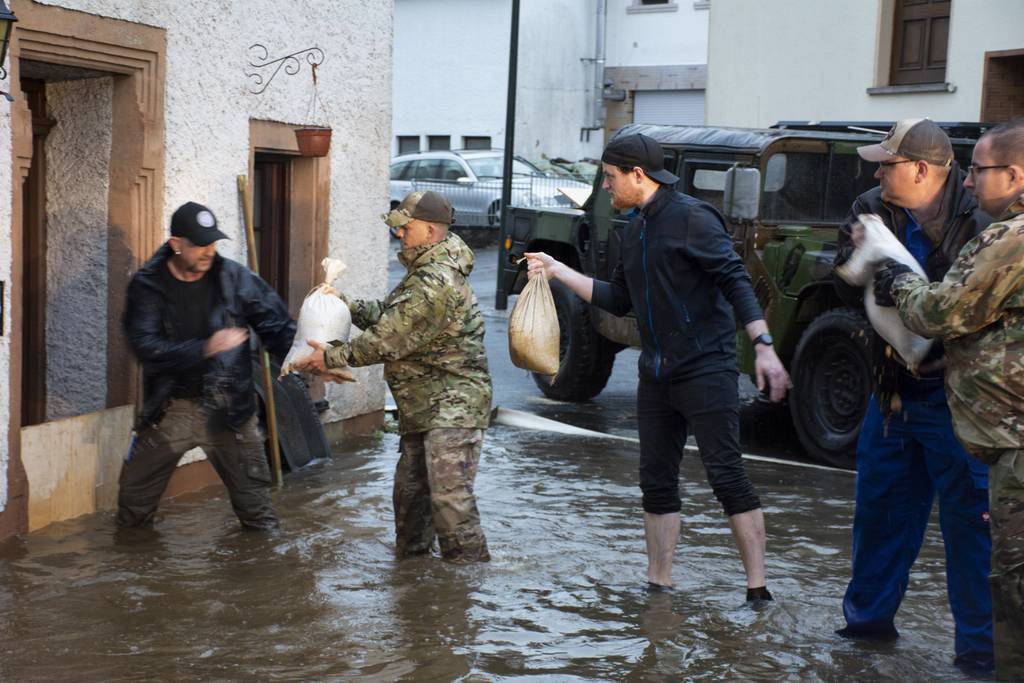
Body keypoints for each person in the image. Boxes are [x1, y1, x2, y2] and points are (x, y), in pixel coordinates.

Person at [525, 133, 790, 599]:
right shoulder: (635, 228)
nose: (605, 187)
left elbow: (735, 281)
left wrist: (762, 344)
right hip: (658, 373)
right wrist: (557, 270)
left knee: (726, 476)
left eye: (609, 178)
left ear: (637, 175)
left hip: (706, 369)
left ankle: (757, 588)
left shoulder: (691, 217)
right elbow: (619, 299)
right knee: (655, 481)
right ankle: (659, 585)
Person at [831, 119, 993, 670]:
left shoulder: (986, 217)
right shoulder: (871, 205)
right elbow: (843, 279)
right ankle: (865, 635)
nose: (876, 172)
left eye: (887, 163)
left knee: (972, 528)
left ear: (922, 170)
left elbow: (974, 309)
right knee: (881, 514)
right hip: (894, 394)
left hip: (963, 403)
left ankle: (979, 655)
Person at [875, 118, 1024, 679]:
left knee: (1011, 589)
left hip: (1013, 440)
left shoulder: (1010, 238)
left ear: (1014, 174)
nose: (968, 181)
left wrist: (898, 283)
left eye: (979, 170)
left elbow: (941, 312)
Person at [296, 190, 492, 563]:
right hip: (424, 409)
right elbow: (388, 315)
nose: (399, 235)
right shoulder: (422, 273)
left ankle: (467, 592)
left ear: (431, 232)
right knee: (410, 502)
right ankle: (416, 590)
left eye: (406, 228)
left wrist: (330, 358)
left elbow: (387, 340)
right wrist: (344, 303)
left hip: (453, 408)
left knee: (451, 506)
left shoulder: (436, 281)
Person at [119, 201, 296, 530]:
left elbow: (277, 324)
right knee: (132, 506)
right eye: (200, 244)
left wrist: (307, 358)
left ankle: (263, 577)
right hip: (170, 410)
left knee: (258, 514)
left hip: (231, 411)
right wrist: (205, 348)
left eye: (213, 243)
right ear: (176, 245)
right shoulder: (147, 285)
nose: (208, 252)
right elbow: (145, 345)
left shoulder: (233, 277)